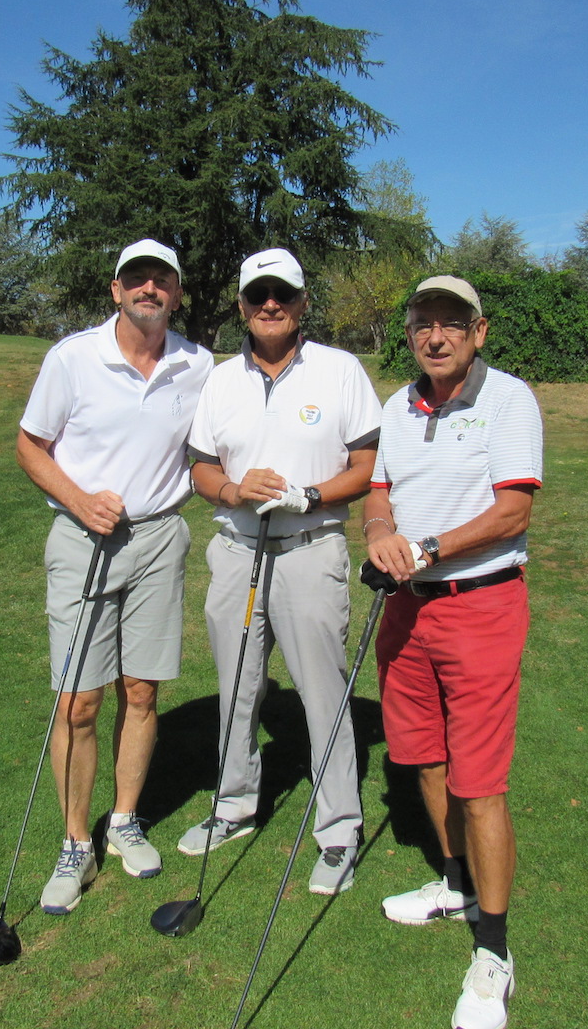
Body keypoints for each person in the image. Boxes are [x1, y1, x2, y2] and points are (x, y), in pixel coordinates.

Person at [363, 276, 543, 1029]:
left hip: (481, 607)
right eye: (422, 324)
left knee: (479, 782)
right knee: (425, 760)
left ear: (479, 331)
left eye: (451, 324)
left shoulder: (509, 400)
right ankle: (455, 881)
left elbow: (513, 511)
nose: (434, 336)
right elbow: (379, 491)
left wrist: (426, 548)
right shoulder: (397, 407)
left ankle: (493, 954)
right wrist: (379, 534)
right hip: (406, 612)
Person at [16, 238, 213, 914]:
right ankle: (75, 841)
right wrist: (78, 500)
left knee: (142, 690)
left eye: (162, 280)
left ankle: (125, 819)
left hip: (160, 537)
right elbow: (29, 446)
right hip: (83, 538)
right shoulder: (73, 357)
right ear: (115, 289)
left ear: (177, 293)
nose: (149, 289)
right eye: (138, 279)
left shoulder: (198, 363)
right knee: (79, 701)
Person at [177, 247, 381, 894]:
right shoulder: (219, 379)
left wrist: (313, 495)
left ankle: (340, 829)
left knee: (322, 691)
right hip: (238, 551)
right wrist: (234, 491)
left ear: (302, 304)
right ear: (242, 304)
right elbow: (201, 467)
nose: (271, 305)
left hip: (311, 547)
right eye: (259, 294)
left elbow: (367, 465)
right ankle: (233, 804)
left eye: (283, 295)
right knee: (238, 686)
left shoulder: (340, 371)